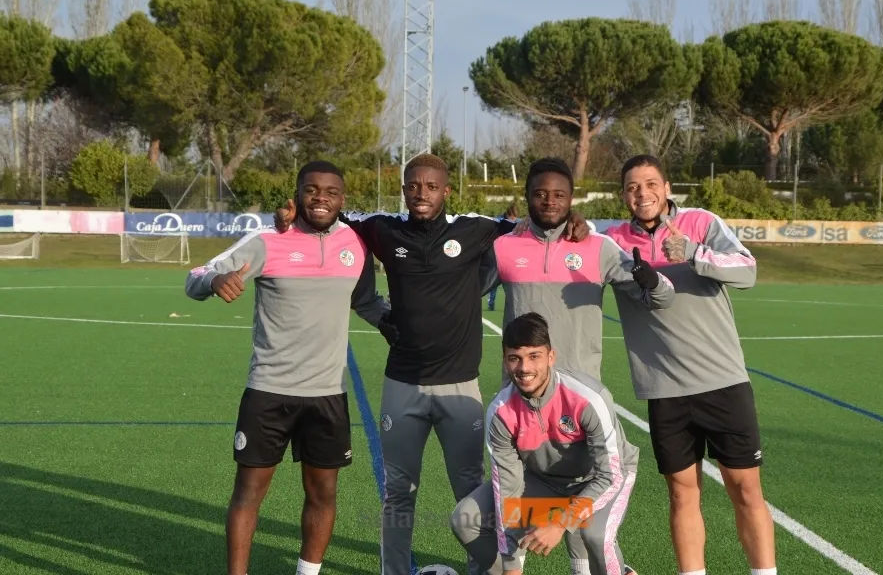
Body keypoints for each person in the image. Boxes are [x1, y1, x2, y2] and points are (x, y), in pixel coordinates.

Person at [271, 154, 591, 575]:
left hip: (460, 388)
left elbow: (535, 222)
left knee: (473, 487)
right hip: (402, 383)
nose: (422, 193)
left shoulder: (474, 228)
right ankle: (395, 571)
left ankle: (490, 570)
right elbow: (328, 215)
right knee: (399, 491)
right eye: (414, 186)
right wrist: (290, 215)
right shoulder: (382, 228)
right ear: (404, 189)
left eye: (431, 186)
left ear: (446, 189)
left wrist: (576, 219)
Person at [185, 161, 394, 575]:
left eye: (330, 192)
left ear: (342, 199)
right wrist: (213, 283)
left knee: (322, 494)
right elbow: (196, 276)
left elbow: (367, 302)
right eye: (312, 190)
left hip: (327, 394)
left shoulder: (355, 244)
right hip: (269, 390)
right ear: (296, 194)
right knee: (248, 493)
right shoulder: (268, 240)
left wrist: (404, 328)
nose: (321, 198)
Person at [602, 154, 776, 575]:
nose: (641, 193)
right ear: (623, 195)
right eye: (631, 186)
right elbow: (561, 224)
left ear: (666, 187)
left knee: (746, 490)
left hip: (722, 381)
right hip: (664, 390)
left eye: (649, 184)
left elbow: (747, 270)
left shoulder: (701, 222)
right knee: (682, 494)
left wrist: (695, 252)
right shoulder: (614, 239)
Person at [450, 312, 640, 575]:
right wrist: (511, 566)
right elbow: (508, 490)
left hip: (599, 480)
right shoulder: (502, 411)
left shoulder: (588, 398)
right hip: (544, 481)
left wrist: (562, 522)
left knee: (596, 537)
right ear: (505, 361)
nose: (524, 368)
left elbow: (611, 473)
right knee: (465, 519)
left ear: (551, 357)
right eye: (515, 358)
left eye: (534, 356)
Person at [486, 157, 675, 382]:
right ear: (527, 196)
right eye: (540, 194)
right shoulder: (503, 246)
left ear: (571, 199)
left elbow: (663, 298)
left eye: (559, 195)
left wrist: (653, 281)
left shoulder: (599, 247)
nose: (549, 202)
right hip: (521, 387)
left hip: (581, 390)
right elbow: (462, 291)